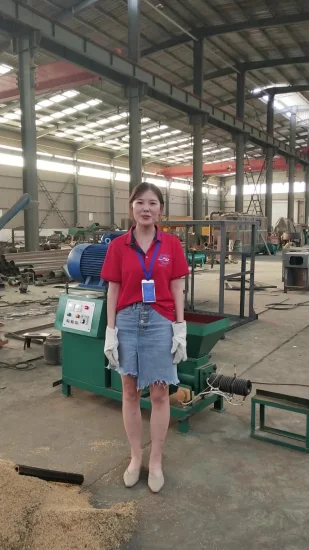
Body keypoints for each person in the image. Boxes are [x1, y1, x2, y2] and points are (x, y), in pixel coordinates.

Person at [101, 182, 189, 493]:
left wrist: (180, 326)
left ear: (160, 209)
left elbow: (178, 287)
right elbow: (112, 289)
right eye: (140, 202)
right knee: (129, 392)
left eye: (152, 203)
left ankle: (156, 461)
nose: (146, 208)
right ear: (132, 208)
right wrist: (111, 330)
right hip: (126, 320)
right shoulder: (117, 246)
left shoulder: (172, 245)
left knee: (160, 393)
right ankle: (135, 458)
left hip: (160, 320)